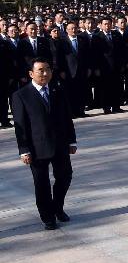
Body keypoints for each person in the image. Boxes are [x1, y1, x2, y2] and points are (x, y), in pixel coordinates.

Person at [11, 57, 77, 230]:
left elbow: (66, 118)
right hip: (36, 147)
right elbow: (21, 126)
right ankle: (48, 216)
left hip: (60, 144)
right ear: (31, 73)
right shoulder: (21, 95)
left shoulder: (58, 90)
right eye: (41, 70)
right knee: (42, 184)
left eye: (48, 69)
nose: (45, 73)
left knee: (65, 177)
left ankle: (58, 207)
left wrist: (72, 140)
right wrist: (24, 149)